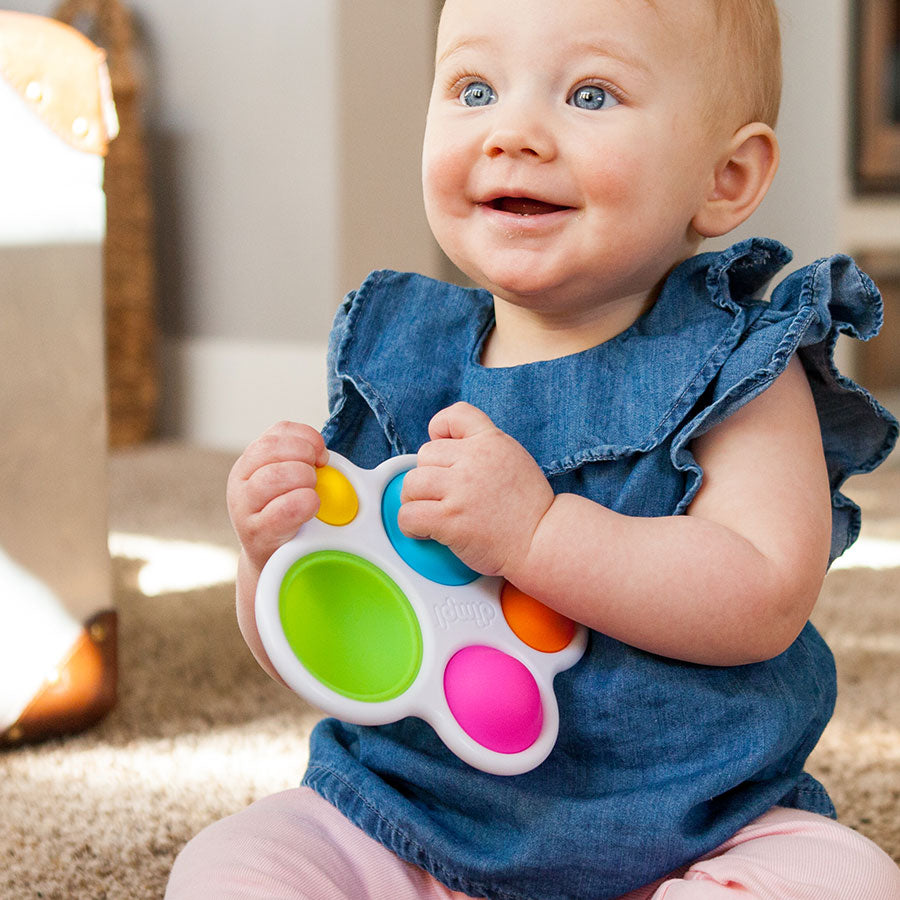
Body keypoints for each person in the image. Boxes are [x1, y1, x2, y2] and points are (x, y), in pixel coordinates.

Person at [167, 0, 900, 897]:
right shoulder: (399, 353)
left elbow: (761, 595)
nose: (514, 132)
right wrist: (267, 552)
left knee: (843, 876)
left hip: (691, 828)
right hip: (409, 815)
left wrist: (538, 537)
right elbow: (319, 631)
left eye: (590, 95)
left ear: (727, 177)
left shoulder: (738, 366)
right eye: (475, 88)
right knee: (232, 866)